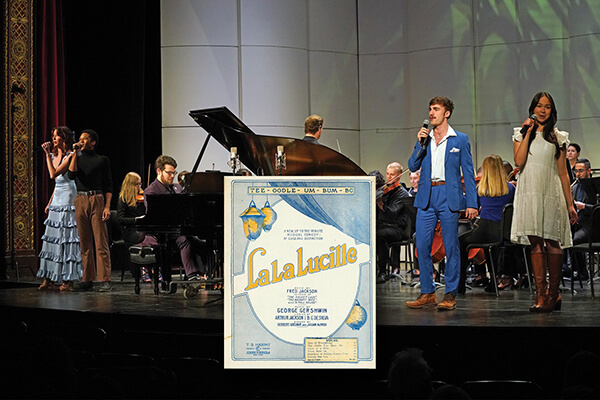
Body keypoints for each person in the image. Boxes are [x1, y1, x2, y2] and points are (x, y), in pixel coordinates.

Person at [406, 96, 478, 311]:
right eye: (430, 109)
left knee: (451, 247)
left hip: (449, 196)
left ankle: (450, 294)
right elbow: (412, 165)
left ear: (446, 113)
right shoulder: (425, 139)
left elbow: (469, 172)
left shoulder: (460, 139)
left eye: (436, 109)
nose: (431, 113)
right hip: (427, 196)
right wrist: (420, 145)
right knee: (422, 246)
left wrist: (472, 203)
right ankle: (427, 292)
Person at [511, 91, 577, 313]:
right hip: (529, 190)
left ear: (552, 111)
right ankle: (540, 294)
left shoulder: (558, 137)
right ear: (532, 108)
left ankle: (553, 293)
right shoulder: (520, 134)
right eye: (539, 106)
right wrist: (528, 131)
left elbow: (563, 173)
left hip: (550, 191)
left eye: (547, 107)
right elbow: (519, 162)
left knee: (551, 241)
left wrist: (570, 204)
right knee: (535, 242)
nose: (542, 110)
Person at [457, 155, 515, 293]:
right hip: (503, 232)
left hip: (484, 230)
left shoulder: (480, 189)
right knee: (491, 247)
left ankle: (460, 284)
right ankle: (493, 282)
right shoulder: (510, 188)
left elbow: (472, 208)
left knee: (461, 241)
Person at [144, 155, 207, 280]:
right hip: (162, 231)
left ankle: (207, 273)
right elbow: (156, 217)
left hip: (177, 228)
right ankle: (192, 275)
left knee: (203, 243)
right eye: (169, 173)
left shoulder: (176, 188)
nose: (172, 176)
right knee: (184, 240)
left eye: (174, 173)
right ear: (159, 171)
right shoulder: (151, 191)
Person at [37, 127, 83, 291]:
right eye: (53, 136)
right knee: (52, 238)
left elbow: (53, 174)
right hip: (57, 198)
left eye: (56, 136)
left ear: (64, 138)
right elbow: (56, 185)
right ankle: (48, 278)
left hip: (68, 197)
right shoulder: (53, 155)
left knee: (66, 238)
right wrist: (50, 201)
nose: (54, 138)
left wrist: (47, 155)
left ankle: (68, 280)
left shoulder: (71, 155)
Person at [67, 129, 113, 292]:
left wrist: (107, 206)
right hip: (80, 199)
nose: (81, 141)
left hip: (97, 199)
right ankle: (87, 279)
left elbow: (108, 185)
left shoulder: (102, 160)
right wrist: (74, 152)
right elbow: (71, 175)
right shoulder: (76, 158)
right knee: (84, 242)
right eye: (80, 138)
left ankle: (105, 279)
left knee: (100, 241)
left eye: (85, 139)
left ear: (93, 142)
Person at [116, 172, 160, 282]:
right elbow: (120, 219)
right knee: (145, 238)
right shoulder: (123, 199)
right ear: (131, 185)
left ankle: (149, 268)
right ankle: (149, 269)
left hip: (142, 230)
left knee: (154, 237)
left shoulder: (142, 197)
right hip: (130, 232)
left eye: (140, 184)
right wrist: (136, 219)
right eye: (137, 184)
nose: (140, 187)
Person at [371, 164, 410, 283]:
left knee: (379, 235)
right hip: (383, 225)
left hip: (397, 228)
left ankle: (382, 271)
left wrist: (381, 204)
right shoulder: (385, 190)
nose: (389, 177)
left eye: (392, 174)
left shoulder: (402, 193)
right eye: (387, 174)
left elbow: (393, 214)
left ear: (398, 176)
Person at [570, 158, 593, 279]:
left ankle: (582, 272)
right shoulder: (574, 187)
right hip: (578, 222)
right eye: (576, 171)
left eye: (581, 171)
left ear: (588, 171)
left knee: (573, 240)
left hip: (591, 224)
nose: (578, 174)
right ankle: (571, 269)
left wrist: (584, 206)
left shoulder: (594, 187)